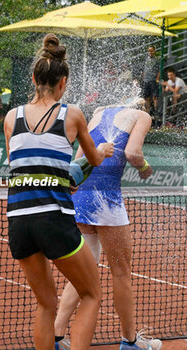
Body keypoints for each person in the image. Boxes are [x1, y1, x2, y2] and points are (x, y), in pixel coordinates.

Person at [4, 33, 114, 350]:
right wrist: (103, 151)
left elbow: (21, 167)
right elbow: (91, 159)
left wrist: (63, 177)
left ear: (35, 78)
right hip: (53, 219)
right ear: (62, 82)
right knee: (91, 292)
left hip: (19, 223)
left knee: (46, 304)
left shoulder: (12, 118)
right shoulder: (72, 113)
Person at [55, 103, 162, 350]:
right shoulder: (142, 115)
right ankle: (130, 341)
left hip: (82, 197)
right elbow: (133, 153)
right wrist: (145, 169)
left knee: (84, 268)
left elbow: (79, 159)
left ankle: (56, 336)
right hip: (107, 202)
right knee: (122, 273)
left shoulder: (99, 113)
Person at [143, 46, 160, 115]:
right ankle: (148, 112)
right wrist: (143, 78)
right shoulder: (146, 59)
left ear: (154, 51)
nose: (150, 52)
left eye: (151, 50)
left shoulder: (157, 59)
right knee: (147, 97)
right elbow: (145, 69)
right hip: (146, 80)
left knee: (155, 97)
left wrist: (157, 79)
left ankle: (156, 113)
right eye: (149, 51)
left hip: (153, 80)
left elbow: (159, 70)